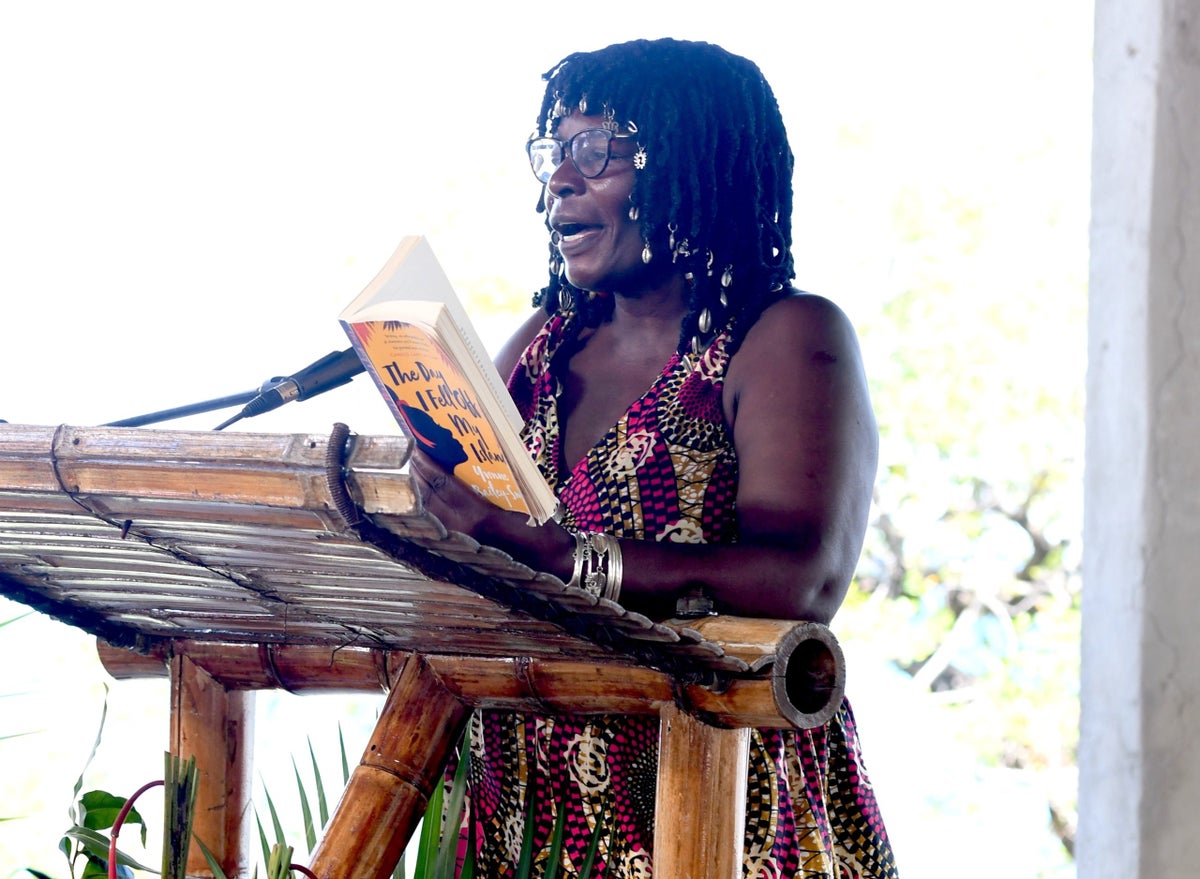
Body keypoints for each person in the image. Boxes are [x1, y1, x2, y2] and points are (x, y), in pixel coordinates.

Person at [410, 37, 898, 879]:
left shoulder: (782, 337)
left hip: (719, 805)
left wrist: (563, 557)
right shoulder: (540, 347)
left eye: (597, 150)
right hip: (525, 816)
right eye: (554, 153)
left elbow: (804, 579)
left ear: (689, 161)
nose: (561, 180)